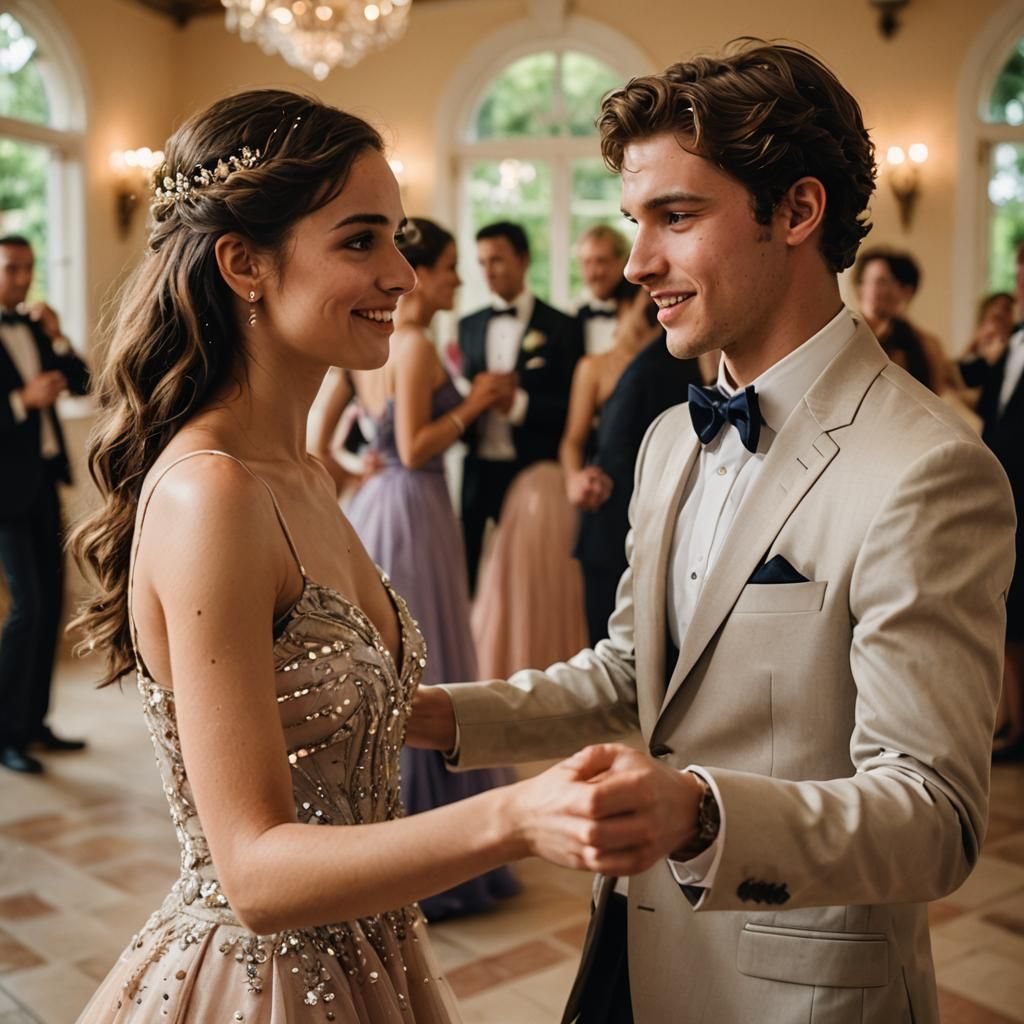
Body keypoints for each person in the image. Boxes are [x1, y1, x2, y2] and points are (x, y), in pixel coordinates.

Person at [408, 42, 1015, 1024]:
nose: (639, 262)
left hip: (797, 991)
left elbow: (933, 818)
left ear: (797, 211)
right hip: (630, 948)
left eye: (675, 217)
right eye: (633, 223)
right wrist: (424, 711)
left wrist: (696, 809)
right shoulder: (665, 442)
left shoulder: (928, 469)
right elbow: (627, 671)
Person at [69, 90, 654, 1023]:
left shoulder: (300, 471)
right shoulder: (212, 494)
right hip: (260, 979)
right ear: (243, 263)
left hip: (372, 953)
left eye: (400, 238)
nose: (403, 277)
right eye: (361, 241)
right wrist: (515, 815)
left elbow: (322, 699)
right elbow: (255, 871)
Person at [343, 217, 520, 919]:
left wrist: (359, 464)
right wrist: (474, 402)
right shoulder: (412, 344)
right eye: (449, 267)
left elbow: (332, 432)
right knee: (425, 660)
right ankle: (424, 849)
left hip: (379, 503)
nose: (456, 280)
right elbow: (415, 448)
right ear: (420, 272)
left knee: (406, 659)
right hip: (414, 506)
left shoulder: (373, 346)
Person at [562, 285, 701, 645]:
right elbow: (573, 441)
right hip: (608, 514)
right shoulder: (593, 367)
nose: (643, 324)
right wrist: (576, 478)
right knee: (605, 633)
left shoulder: (684, 361)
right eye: (638, 313)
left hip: (668, 510)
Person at [0, 234, 89, 775]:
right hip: (4, 493)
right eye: (11, 268)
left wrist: (58, 337)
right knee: (27, 610)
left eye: (27, 268)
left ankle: (35, 723)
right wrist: (19, 401)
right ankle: (6, 733)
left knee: (51, 605)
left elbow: (83, 383)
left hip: (44, 484)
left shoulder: (34, 324)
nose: (21, 278)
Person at [458, 221, 583, 591]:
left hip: (533, 469)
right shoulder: (467, 325)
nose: (488, 271)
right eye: (481, 262)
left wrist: (517, 405)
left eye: (496, 260)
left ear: (524, 259)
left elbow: (571, 409)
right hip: (478, 469)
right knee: (473, 577)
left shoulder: (562, 327)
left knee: (531, 581)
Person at [960, 247, 1024, 762]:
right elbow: (984, 403)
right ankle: (1012, 725)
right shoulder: (1014, 342)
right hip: (1008, 491)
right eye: (1020, 270)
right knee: (1010, 612)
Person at [853, 247, 947, 392]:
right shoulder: (846, 336)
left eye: (882, 282)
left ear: (906, 292)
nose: (873, 289)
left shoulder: (926, 346)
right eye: (868, 281)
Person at [574, 225, 630, 356]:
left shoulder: (640, 312)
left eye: (601, 261)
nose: (594, 273)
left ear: (622, 262)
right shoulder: (572, 313)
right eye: (587, 262)